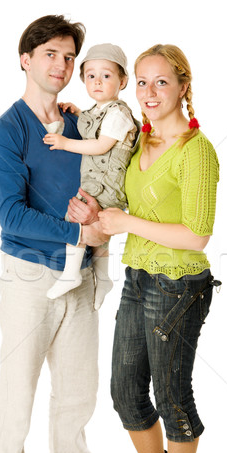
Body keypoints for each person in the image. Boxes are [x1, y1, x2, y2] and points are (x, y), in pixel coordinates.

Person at [0, 15, 118, 453]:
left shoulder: (77, 123)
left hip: (80, 278)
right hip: (29, 278)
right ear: (25, 59)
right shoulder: (7, 131)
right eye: (50, 55)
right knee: (17, 394)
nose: (60, 66)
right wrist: (75, 235)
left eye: (68, 57)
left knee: (78, 394)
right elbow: (10, 216)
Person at [98, 44, 221, 453]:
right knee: (126, 392)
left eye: (161, 82)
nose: (149, 93)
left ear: (183, 88)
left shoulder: (197, 151)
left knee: (172, 398)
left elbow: (197, 234)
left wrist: (125, 222)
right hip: (138, 278)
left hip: (179, 286)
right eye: (142, 83)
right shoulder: (138, 143)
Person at [43, 44, 140, 309]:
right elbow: (92, 125)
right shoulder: (99, 110)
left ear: (122, 81)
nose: (97, 81)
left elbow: (100, 145)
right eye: (91, 76)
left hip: (107, 183)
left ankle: (71, 274)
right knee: (98, 234)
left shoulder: (118, 113)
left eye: (106, 76)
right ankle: (104, 278)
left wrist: (64, 142)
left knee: (75, 219)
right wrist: (77, 111)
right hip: (97, 180)